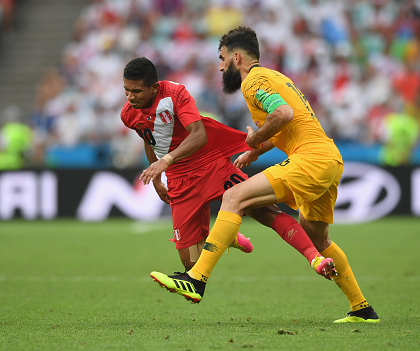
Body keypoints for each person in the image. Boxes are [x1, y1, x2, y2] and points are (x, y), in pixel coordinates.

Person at [149, 27, 380, 324]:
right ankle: (361, 307)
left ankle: (197, 278)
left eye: (222, 59)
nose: (220, 66)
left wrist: (254, 139)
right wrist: (257, 150)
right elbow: (291, 122)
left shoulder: (253, 81)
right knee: (317, 237)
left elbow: (283, 114)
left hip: (310, 159)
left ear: (236, 57)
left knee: (234, 196)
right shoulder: (276, 77)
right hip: (329, 159)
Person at [121, 57, 337, 276]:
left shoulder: (175, 93)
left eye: (136, 91)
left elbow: (199, 135)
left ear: (154, 87)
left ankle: (314, 257)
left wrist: (165, 162)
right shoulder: (128, 114)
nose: (130, 97)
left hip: (210, 165)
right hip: (180, 179)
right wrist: (157, 179)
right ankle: (228, 234)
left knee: (264, 211)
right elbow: (150, 140)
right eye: (126, 90)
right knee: (191, 267)